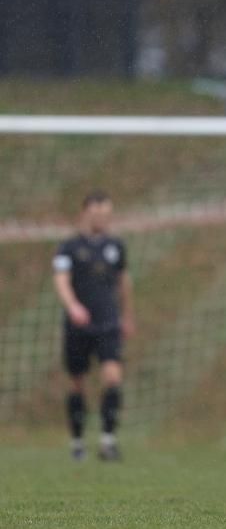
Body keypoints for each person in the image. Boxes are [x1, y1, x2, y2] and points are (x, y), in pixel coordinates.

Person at [52, 191, 134, 461]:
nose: (102, 219)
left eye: (106, 214)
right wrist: (73, 306)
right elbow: (61, 280)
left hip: (108, 322)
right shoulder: (69, 247)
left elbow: (123, 282)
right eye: (97, 213)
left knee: (112, 378)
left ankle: (108, 441)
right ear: (85, 212)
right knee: (77, 383)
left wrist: (127, 315)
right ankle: (77, 442)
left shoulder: (116, 246)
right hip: (78, 325)